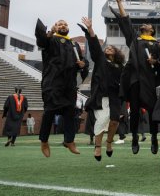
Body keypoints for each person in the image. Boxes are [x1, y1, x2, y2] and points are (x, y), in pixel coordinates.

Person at [110, 0, 160, 154]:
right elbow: (126, 22)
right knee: (134, 111)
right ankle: (134, 137)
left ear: (152, 31)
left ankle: (154, 137)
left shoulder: (157, 44)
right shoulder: (135, 40)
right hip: (134, 80)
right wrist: (120, 3)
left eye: (148, 25)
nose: (145, 25)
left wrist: (156, 61)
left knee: (153, 111)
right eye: (144, 25)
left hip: (149, 81)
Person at [35, 19, 89, 157]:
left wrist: (83, 64)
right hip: (53, 82)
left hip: (69, 84)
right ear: (56, 27)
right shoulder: (51, 40)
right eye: (60, 24)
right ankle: (44, 141)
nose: (63, 26)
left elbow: (81, 62)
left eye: (65, 24)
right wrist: (51, 32)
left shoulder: (74, 44)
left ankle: (69, 141)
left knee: (70, 112)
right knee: (49, 112)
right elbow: (41, 42)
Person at [79, 17, 124, 162]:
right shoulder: (100, 60)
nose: (108, 48)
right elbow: (94, 45)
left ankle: (109, 143)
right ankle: (98, 146)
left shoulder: (120, 67)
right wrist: (90, 29)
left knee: (114, 121)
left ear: (116, 53)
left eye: (111, 48)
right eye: (107, 48)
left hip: (115, 96)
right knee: (103, 118)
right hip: (101, 95)